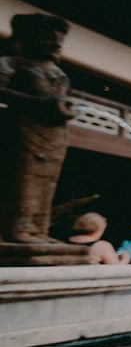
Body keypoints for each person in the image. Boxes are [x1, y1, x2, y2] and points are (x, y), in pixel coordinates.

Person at [0, 14, 74, 243]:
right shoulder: (10, 63)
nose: (56, 44)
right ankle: (18, 227)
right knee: (23, 177)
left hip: (55, 134)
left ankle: (39, 229)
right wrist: (37, 103)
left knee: (48, 179)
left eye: (59, 40)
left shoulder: (59, 72)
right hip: (22, 129)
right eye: (48, 39)